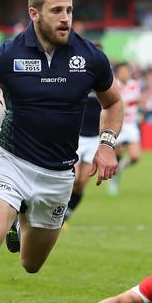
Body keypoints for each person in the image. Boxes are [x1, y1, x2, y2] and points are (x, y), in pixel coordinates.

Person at [0, 0, 123, 303]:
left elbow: (113, 103)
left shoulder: (91, 57)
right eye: (56, 11)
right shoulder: (8, 54)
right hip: (11, 163)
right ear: (34, 13)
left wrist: (107, 144)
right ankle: (13, 208)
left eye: (69, 10)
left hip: (58, 175)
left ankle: (21, 216)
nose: (65, 18)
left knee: (30, 264)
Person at [63, 90, 101, 227]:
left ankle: (67, 214)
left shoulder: (103, 83)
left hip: (95, 139)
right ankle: (57, 212)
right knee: (73, 177)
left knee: (81, 183)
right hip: (77, 136)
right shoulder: (82, 79)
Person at [108, 63, 141, 196]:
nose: (125, 74)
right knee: (118, 154)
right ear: (118, 73)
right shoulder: (114, 84)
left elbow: (135, 101)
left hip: (131, 124)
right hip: (118, 123)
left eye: (127, 71)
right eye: (122, 72)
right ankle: (113, 181)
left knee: (135, 157)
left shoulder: (135, 85)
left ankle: (118, 170)